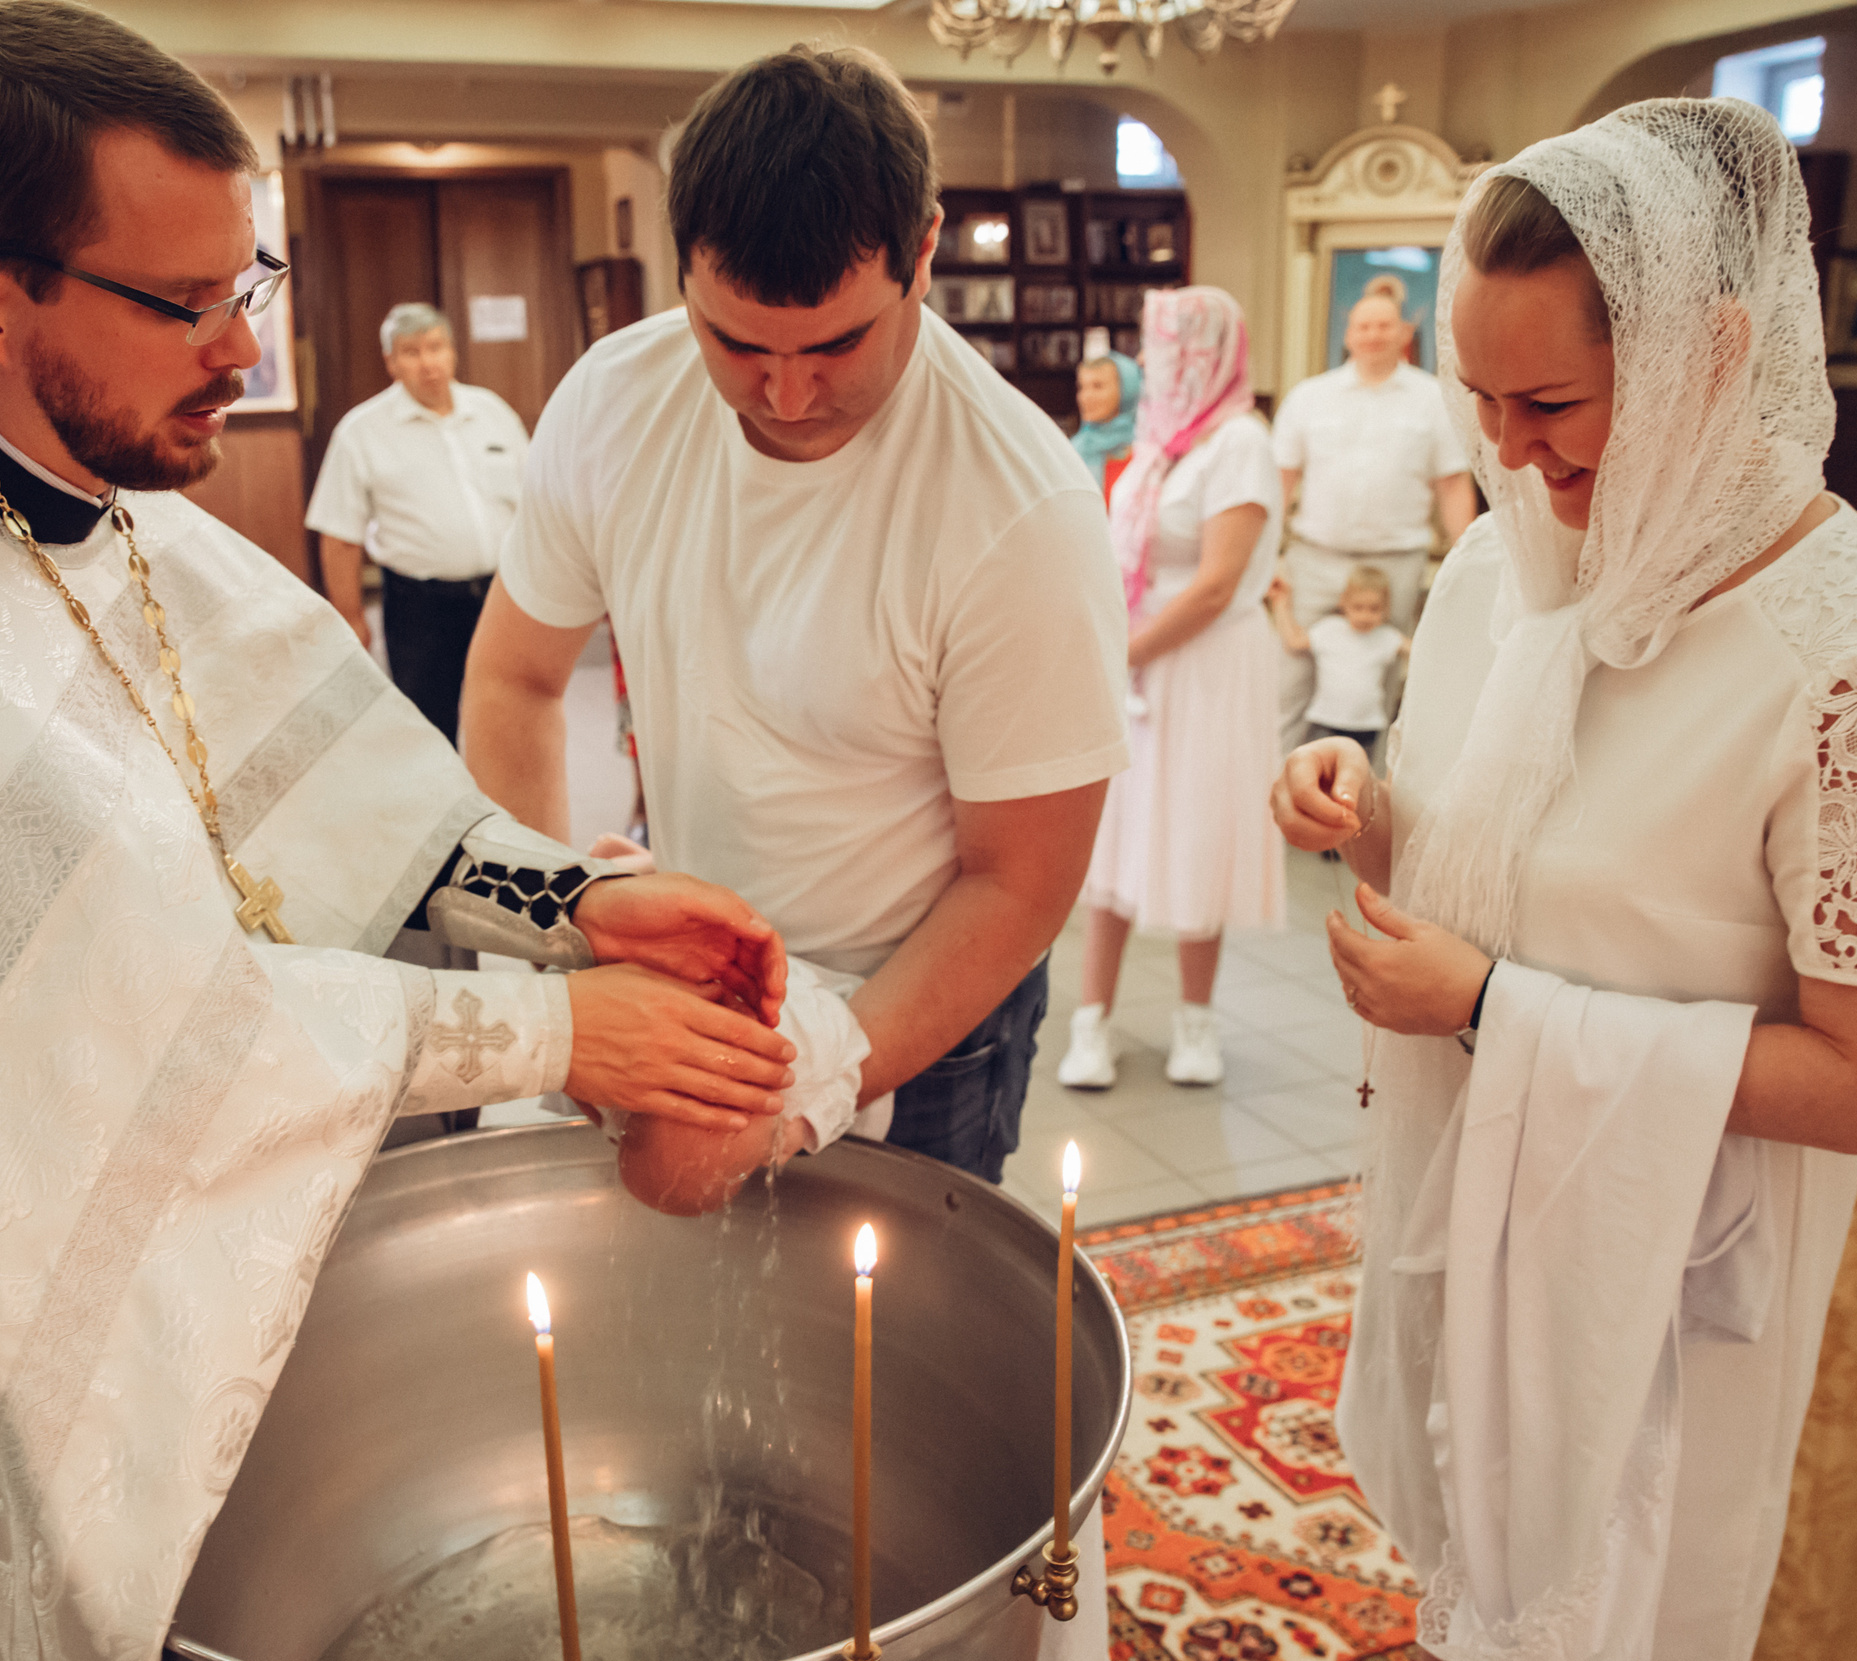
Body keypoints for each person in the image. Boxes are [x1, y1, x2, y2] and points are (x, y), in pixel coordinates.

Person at [0, 6, 801, 1661]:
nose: (246, 351)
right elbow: (129, 1026)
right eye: (185, 304)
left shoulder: (112, 511)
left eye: (243, 283)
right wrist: (564, 1033)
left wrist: (577, 900)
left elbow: (334, 799)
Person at [1272, 99, 1857, 1661]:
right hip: (1477, 1196)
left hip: (1665, 1276)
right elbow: (1495, 860)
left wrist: (1487, 1008)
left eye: (1553, 401)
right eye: (1481, 397)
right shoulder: (1504, 563)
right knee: (1463, 1606)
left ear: (1713, 350)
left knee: (1609, 1644)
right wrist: (1370, 812)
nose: (1511, 453)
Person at [464, 46, 1130, 1194]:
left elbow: (1019, 882)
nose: (784, 396)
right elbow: (516, 680)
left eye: (835, 344)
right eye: (735, 344)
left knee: (893, 1362)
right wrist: (559, 925)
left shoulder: (1019, 508)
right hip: (686, 974)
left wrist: (815, 1078)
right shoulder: (616, 400)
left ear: (923, 250)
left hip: (920, 1010)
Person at [1058, 286, 1290, 1092]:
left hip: (1205, 663)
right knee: (1114, 834)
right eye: (1153, 350)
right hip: (1136, 654)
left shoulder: (1240, 442)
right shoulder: (1156, 444)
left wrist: (1125, 649)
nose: (1158, 365)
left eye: (1173, 349)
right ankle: (1092, 1022)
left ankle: (1195, 1019)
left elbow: (1218, 584)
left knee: (1197, 829)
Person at [306, 302, 529, 743]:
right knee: (430, 726)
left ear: (452, 352)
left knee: (509, 715)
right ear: (391, 362)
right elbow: (339, 534)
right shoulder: (362, 431)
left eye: (436, 347)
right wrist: (351, 616)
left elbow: (537, 502)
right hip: (421, 607)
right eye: (411, 352)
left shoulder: (492, 413)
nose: (428, 362)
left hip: (503, 596)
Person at [1270, 273, 1475, 748]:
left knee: (1379, 693)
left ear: (1404, 333)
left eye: (1384, 325)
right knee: (1294, 687)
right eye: (1364, 326)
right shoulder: (1309, 397)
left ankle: (1366, 808)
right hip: (1315, 562)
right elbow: (1279, 482)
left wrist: (1466, 562)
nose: (1373, 334)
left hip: (1393, 566)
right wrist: (1266, 560)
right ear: (1348, 334)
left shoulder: (1433, 399)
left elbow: (1452, 485)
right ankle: (1282, 806)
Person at [1262, 560, 1407, 760]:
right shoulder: (1330, 630)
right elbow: (1294, 641)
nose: (1365, 615)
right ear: (1344, 602)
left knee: (1357, 778)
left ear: (1386, 608)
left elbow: (1420, 652)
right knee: (1317, 771)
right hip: (1325, 720)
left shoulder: (1387, 637)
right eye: (1358, 607)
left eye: (1374, 609)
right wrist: (1281, 601)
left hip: (1366, 726)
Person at [1069, 348, 1142, 501]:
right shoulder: (1072, 452)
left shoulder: (1147, 449)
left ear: (1126, 390)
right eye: (1081, 387)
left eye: (1098, 386)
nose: (1085, 397)